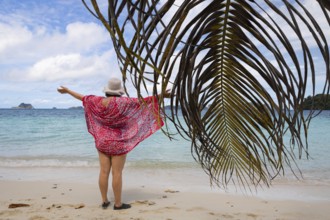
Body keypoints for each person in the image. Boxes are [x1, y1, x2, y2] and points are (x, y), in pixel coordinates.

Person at [57, 77, 171, 210]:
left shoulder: (97, 101)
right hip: (119, 141)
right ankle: (117, 204)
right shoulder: (125, 102)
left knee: (104, 171)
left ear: (107, 90)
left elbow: (82, 98)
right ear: (119, 91)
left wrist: (68, 91)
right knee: (117, 173)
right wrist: (162, 95)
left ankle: (104, 201)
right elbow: (145, 101)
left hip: (102, 141)